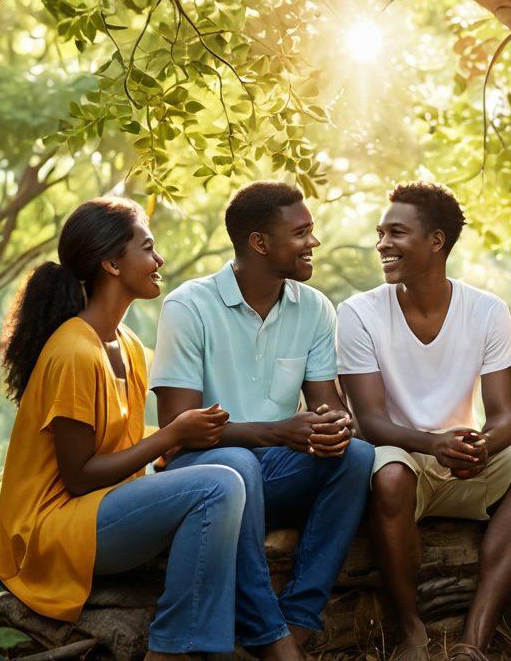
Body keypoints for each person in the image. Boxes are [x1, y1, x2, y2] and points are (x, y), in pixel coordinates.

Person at [0, 198, 244, 661]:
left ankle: (242, 627)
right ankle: (171, 650)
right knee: (217, 486)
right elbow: (78, 476)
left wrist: (180, 444)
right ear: (111, 264)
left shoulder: (126, 344)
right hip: (53, 532)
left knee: (229, 464)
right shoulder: (74, 351)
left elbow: (122, 442)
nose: (159, 260)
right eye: (147, 248)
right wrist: (171, 436)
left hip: (100, 512)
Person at [150, 181, 374, 661]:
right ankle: (270, 637)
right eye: (302, 233)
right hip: (202, 479)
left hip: (276, 473)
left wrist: (333, 426)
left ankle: (299, 620)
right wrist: (276, 432)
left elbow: (323, 404)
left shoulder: (314, 308)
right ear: (260, 243)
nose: (313, 242)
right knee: (237, 464)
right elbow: (175, 425)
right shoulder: (189, 307)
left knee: (356, 456)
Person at [338, 182, 511, 661]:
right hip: (398, 458)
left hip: (458, 458)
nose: (382, 244)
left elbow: (504, 420)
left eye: (396, 232)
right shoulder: (358, 313)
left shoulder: (486, 310)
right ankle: (412, 631)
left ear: (436, 242)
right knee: (391, 472)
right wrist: (433, 443)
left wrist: (477, 445)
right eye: (380, 233)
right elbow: (370, 421)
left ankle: (473, 640)